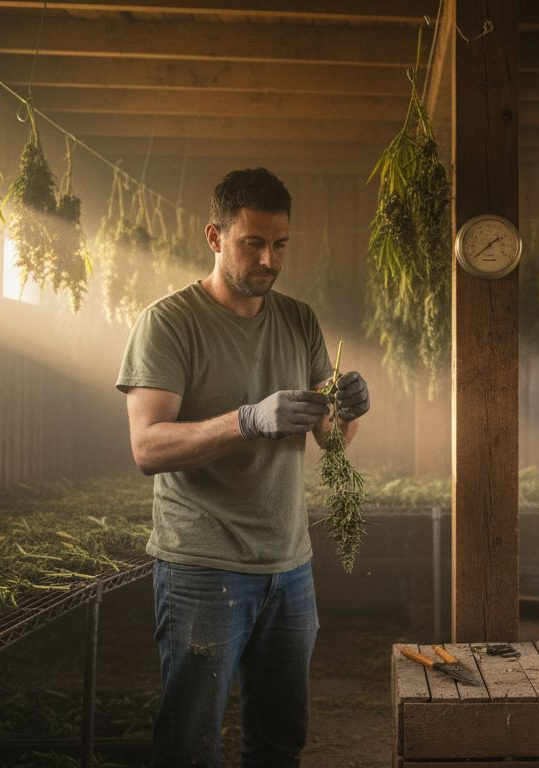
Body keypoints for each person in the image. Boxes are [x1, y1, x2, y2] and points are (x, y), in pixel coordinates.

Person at [115, 167, 370, 767]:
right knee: (191, 744)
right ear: (215, 236)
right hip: (203, 566)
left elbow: (331, 440)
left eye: (280, 244)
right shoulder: (169, 322)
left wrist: (350, 409)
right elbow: (146, 447)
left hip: (290, 565)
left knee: (281, 740)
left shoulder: (298, 319)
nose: (269, 258)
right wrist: (248, 419)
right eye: (252, 242)